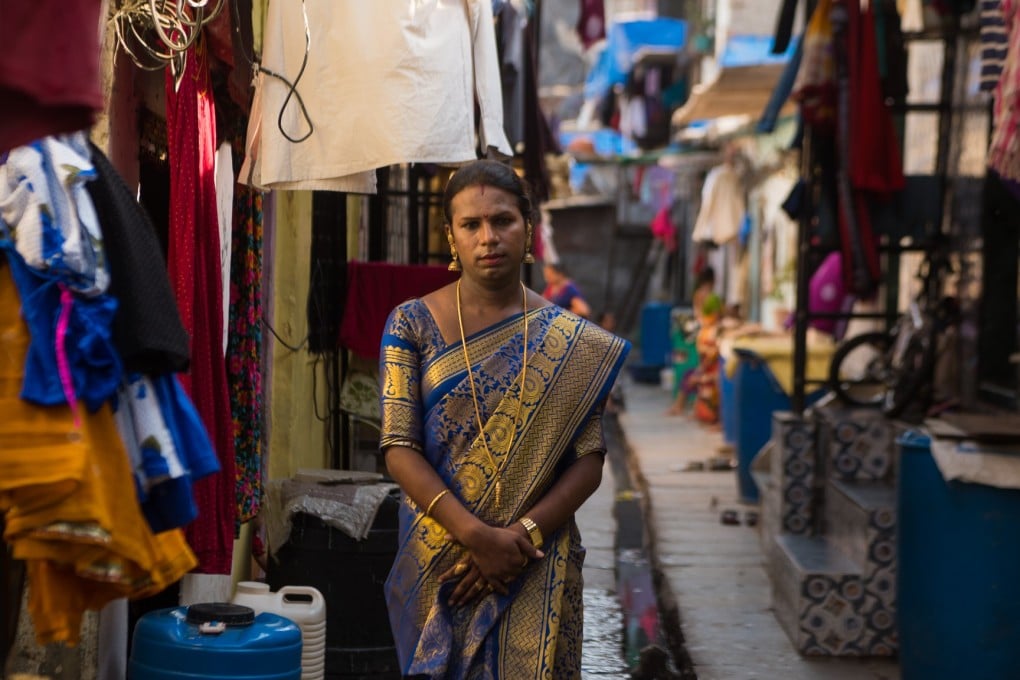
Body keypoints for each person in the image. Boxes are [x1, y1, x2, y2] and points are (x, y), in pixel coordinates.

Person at [378, 159, 630, 678]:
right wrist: (475, 535)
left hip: (537, 560)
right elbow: (398, 447)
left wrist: (522, 537)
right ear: (451, 235)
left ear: (529, 229)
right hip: (443, 553)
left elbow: (589, 461)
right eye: (470, 224)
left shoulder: (572, 342)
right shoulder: (412, 324)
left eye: (503, 221)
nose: (487, 237)